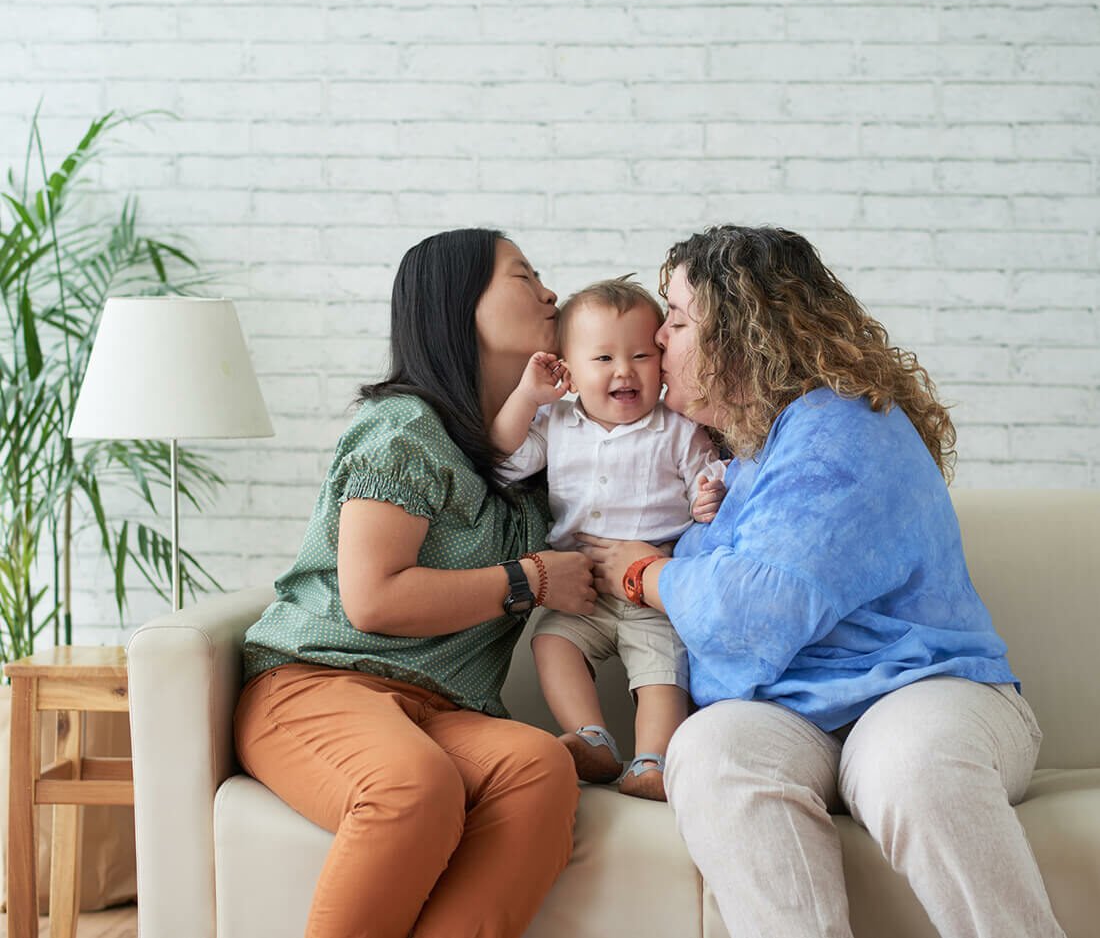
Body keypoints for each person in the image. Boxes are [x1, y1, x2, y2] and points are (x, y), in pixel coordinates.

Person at [579, 225, 1066, 938]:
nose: (658, 338)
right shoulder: (745, 460)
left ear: (743, 334)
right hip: (797, 716)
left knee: (909, 761)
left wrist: (644, 570)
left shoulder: (844, 428)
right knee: (711, 749)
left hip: (919, 688)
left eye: (678, 320)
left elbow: (749, 615)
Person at [234, 228, 597, 938]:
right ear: (459, 306)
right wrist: (530, 578)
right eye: (525, 277)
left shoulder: (536, 455)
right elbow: (373, 598)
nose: (550, 293)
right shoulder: (404, 429)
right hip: (316, 685)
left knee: (539, 766)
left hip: (441, 708)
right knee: (413, 786)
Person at [491, 277, 726, 802]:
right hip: (583, 591)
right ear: (567, 371)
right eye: (602, 359)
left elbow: (709, 482)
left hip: (653, 592)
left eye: (641, 354)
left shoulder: (679, 429)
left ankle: (653, 761)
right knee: (552, 642)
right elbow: (504, 459)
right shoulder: (555, 423)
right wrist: (528, 395)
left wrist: (708, 498)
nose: (624, 370)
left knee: (661, 671)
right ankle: (591, 735)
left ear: (661, 363)